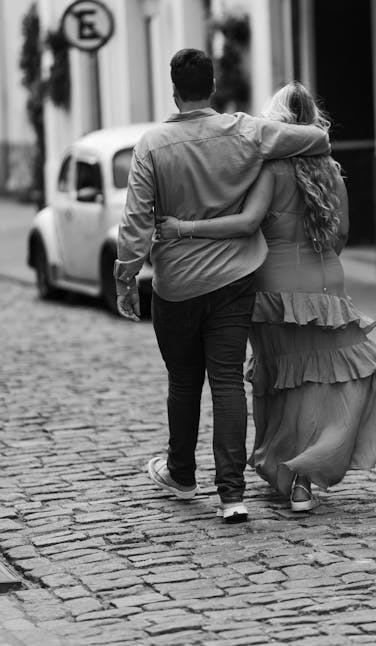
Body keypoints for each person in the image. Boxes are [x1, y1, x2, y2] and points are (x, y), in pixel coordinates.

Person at [156, 81, 376, 512]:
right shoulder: (331, 169)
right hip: (325, 283)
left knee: (279, 379)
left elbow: (247, 224)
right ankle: (302, 477)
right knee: (321, 380)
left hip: (272, 288)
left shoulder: (269, 169)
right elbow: (340, 234)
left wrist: (183, 229)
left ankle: (286, 469)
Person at [114, 50, 330, 524]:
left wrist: (127, 279)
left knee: (184, 381)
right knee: (228, 381)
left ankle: (181, 474)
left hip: (176, 285)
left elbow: (134, 222)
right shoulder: (247, 131)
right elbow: (316, 137)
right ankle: (232, 494)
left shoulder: (152, 145)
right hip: (235, 279)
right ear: (212, 86)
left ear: (173, 90)